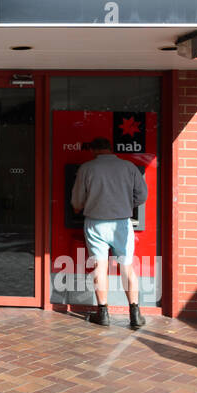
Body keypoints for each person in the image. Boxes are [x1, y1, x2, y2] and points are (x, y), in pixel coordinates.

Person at [70, 137, 148, 329]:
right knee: (127, 267)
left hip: (96, 223)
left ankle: (103, 313)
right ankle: (135, 314)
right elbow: (142, 195)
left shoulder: (87, 168)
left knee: (100, 267)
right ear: (110, 149)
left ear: (93, 151)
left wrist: (80, 207)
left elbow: (77, 200)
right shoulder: (128, 167)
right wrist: (126, 204)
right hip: (122, 223)